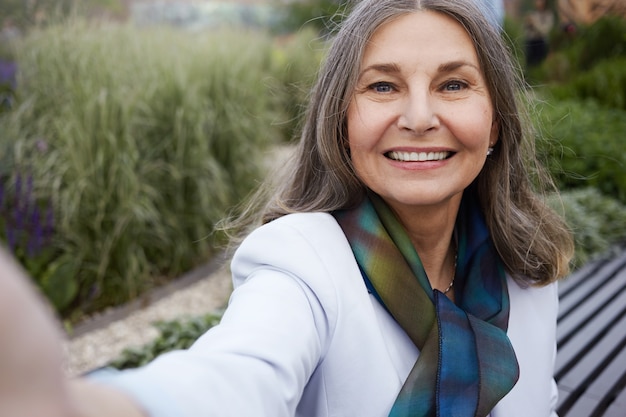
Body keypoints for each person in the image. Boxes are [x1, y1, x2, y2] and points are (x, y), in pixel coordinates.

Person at [0, 0, 574, 416]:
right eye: (381, 87)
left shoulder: (526, 269)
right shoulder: (301, 259)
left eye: (453, 85)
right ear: (341, 122)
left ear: (495, 120)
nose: (420, 116)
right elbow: (235, 378)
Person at [524, 0, 555, 68]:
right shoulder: (532, 13)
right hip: (531, 42)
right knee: (530, 65)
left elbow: (545, 30)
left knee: (540, 64)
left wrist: (535, 23)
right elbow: (526, 31)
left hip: (541, 42)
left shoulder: (548, 15)